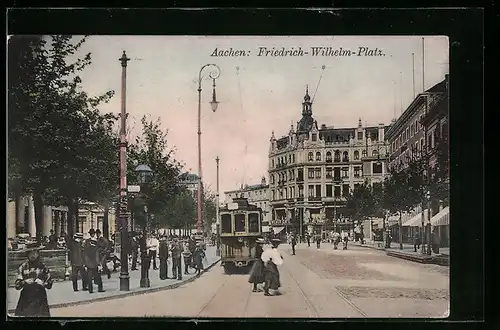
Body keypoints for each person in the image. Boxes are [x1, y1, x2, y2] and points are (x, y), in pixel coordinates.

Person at [14, 248, 53, 317]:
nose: (33, 255)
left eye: (35, 253)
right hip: (26, 298)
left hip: (40, 297)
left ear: (38, 254)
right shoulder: (23, 267)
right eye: (31, 253)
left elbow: (49, 284)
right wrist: (24, 282)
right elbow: (17, 286)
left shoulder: (43, 267)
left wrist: (43, 283)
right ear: (27, 254)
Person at [83, 229, 105, 293]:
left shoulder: (87, 243)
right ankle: (100, 288)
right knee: (98, 276)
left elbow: (85, 254)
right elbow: (97, 255)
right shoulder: (96, 245)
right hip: (95, 263)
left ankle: (90, 290)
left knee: (89, 277)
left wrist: (85, 263)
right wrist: (99, 264)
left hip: (89, 263)